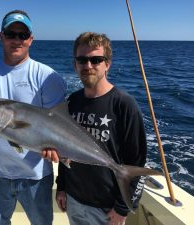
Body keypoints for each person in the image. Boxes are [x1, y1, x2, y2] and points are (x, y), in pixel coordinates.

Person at [0, 10, 66, 225]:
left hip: (36, 176)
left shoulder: (48, 76)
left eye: (22, 34)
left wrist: (55, 149)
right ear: (1, 36)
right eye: (11, 34)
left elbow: (59, 125)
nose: (16, 40)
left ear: (31, 39)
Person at [54, 32, 147, 225]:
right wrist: (61, 187)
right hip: (74, 200)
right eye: (82, 60)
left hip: (107, 208)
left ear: (107, 64)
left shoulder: (124, 104)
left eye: (96, 60)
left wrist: (122, 208)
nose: (88, 66)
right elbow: (64, 150)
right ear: (75, 64)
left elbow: (137, 163)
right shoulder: (71, 103)